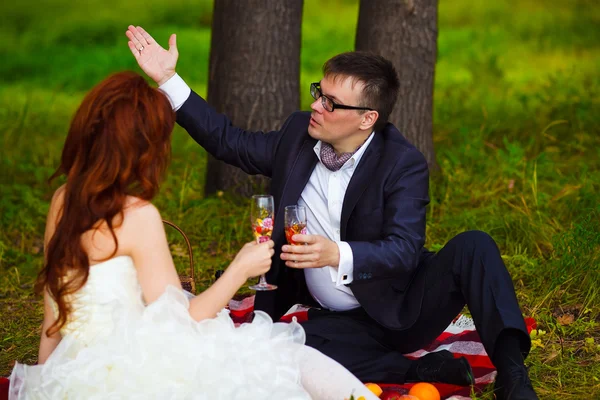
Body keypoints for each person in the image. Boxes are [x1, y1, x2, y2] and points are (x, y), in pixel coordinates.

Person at [126, 24, 539, 400]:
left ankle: (512, 374)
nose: (317, 106)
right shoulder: (297, 136)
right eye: (318, 93)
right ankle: (422, 369)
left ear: (367, 119)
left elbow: (404, 249)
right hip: (335, 320)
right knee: (286, 347)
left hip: (400, 307)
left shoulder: (401, 163)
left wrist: (336, 254)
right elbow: (229, 141)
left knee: (475, 246)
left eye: (331, 102)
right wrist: (168, 80)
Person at [8, 71, 379, 400]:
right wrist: (240, 268)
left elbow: (54, 309)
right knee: (283, 353)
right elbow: (184, 320)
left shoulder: (63, 200)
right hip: (139, 368)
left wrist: (47, 380)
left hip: (78, 371)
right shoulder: (138, 217)